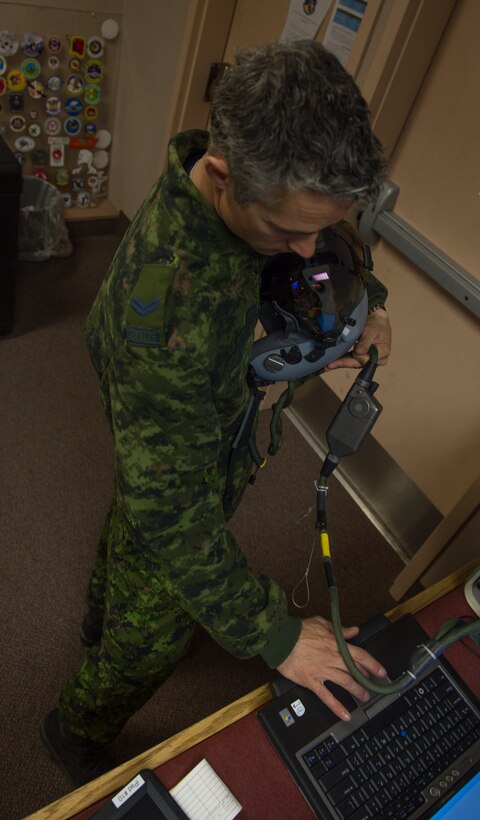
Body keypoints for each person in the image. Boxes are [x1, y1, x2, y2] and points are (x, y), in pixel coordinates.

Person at [40, 39, 393, 787]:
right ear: (224, 175)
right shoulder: (167, 314)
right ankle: (75, 730)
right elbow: (171, 509)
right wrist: (275, 633)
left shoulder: (257, 178)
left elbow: (326, 242)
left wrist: (371, 306)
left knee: (137, 510)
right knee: (151, 630)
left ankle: (101, 613)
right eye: (288, 233)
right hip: (166, 416)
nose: (306, 247)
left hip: (188, 417)